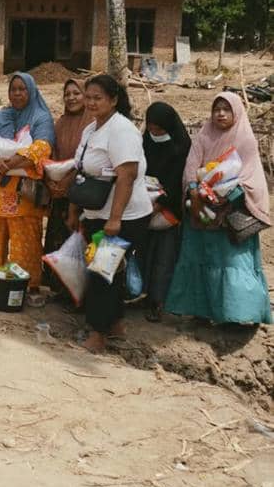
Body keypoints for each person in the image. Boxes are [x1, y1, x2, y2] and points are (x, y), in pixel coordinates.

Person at [166, 93, 271, 328]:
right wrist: (195, 190)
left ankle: (237, 315)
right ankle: (200, 311)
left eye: (226, 109)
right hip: (201, 210)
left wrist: (225, 194)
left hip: (230, 212)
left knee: (231, 262)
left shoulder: (245, 140)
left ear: (237, 112)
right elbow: (191, 166)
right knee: (199, 258)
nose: (220, 114)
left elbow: (250, 176)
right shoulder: (203, 136)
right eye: (216, 109)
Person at [67, 74, 152, 352]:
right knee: (108, 271)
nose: (91, 103)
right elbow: (81, 170)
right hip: (97, 212)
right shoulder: (92, 129)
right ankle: (115, 324)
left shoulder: (121, 130)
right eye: (88, 97)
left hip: (123, 216)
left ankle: (97, 334)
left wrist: (115, 219)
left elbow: (127, 175)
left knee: (102, 272)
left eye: (98, 98)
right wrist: (74, 210)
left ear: (113, 100)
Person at [0, 72, 55, 303]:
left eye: (22, 89)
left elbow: (43, 147)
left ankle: (29, 287)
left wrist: (8, 164)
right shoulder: (2, 115)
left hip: (23, 193)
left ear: (31, 91)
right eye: (13, 89)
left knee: (25, 241)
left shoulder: (41, 117)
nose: (17, 94)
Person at [140, 101, 192, 322]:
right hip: (145, 208)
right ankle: (145, 295)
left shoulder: (181, 147)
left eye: (159, 128)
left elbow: (178, 180)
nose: (154, 132)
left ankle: (159, 301)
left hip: (168, 212)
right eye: (151, 127)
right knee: (145, 255)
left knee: (164, 258)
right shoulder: (145, 142)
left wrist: (159, 203)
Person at [43, 79, 93, 269]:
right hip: (58, 194)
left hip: (82, 193)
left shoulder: (92, 124)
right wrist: (51, 180)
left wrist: (68, 181)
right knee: (58, 240)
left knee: (78, 242)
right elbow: (52, 154)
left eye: (76, 93)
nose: (71, 98)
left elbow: (88, 159)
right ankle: (55, 282)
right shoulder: (61, 123)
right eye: (67, 94)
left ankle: (76, 285)